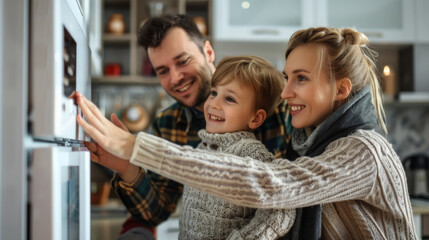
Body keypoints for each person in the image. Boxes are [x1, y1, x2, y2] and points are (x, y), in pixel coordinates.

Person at [76, 27, 418, 239]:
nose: (285, 94)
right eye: (162, 70)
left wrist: (135, 144)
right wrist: (126, 163)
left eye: (300, 78)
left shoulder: (360, 151)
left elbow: (269, 185)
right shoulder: (313, 141)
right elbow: (160, 207)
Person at [85, 14, 291, 238]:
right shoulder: (169, 122)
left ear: (208, 52)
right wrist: (126, 167)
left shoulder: (280, 109)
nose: (175, 78)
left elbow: (285, 202)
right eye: (163, 71)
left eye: (183, 61)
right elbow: (156, 212)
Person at [176, 55, 295, 239]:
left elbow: (281, 210)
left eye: (229, 99)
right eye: (214, 93)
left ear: (255, 118)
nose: (214, 104)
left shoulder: (250, 153)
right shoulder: (202, 148)